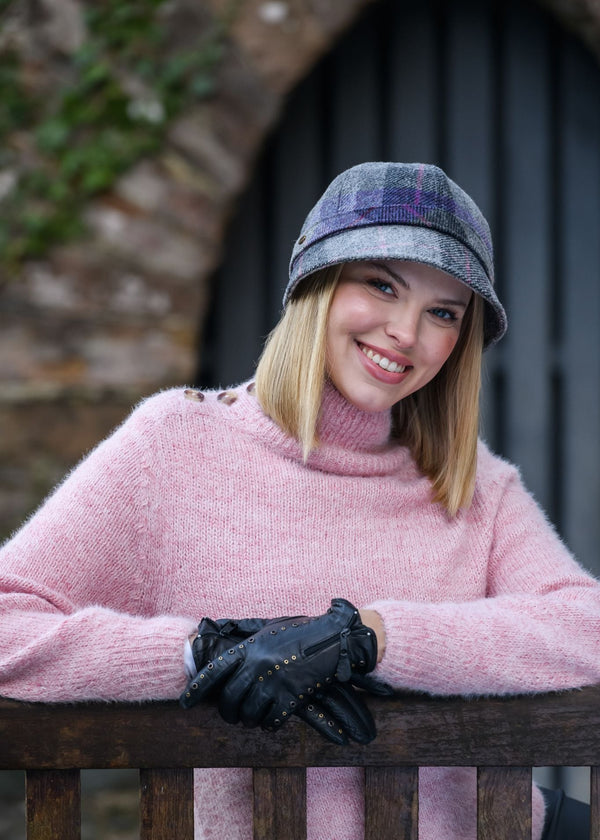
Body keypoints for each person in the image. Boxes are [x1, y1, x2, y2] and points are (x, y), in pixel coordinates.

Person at [0, 161, 598, 840]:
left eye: (442, 313)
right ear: (315, 284)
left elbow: (587, 626)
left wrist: (368, 637)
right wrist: (203, 652)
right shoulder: (177, 444)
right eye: (381, 285)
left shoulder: (473, 484)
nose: (406, 332)